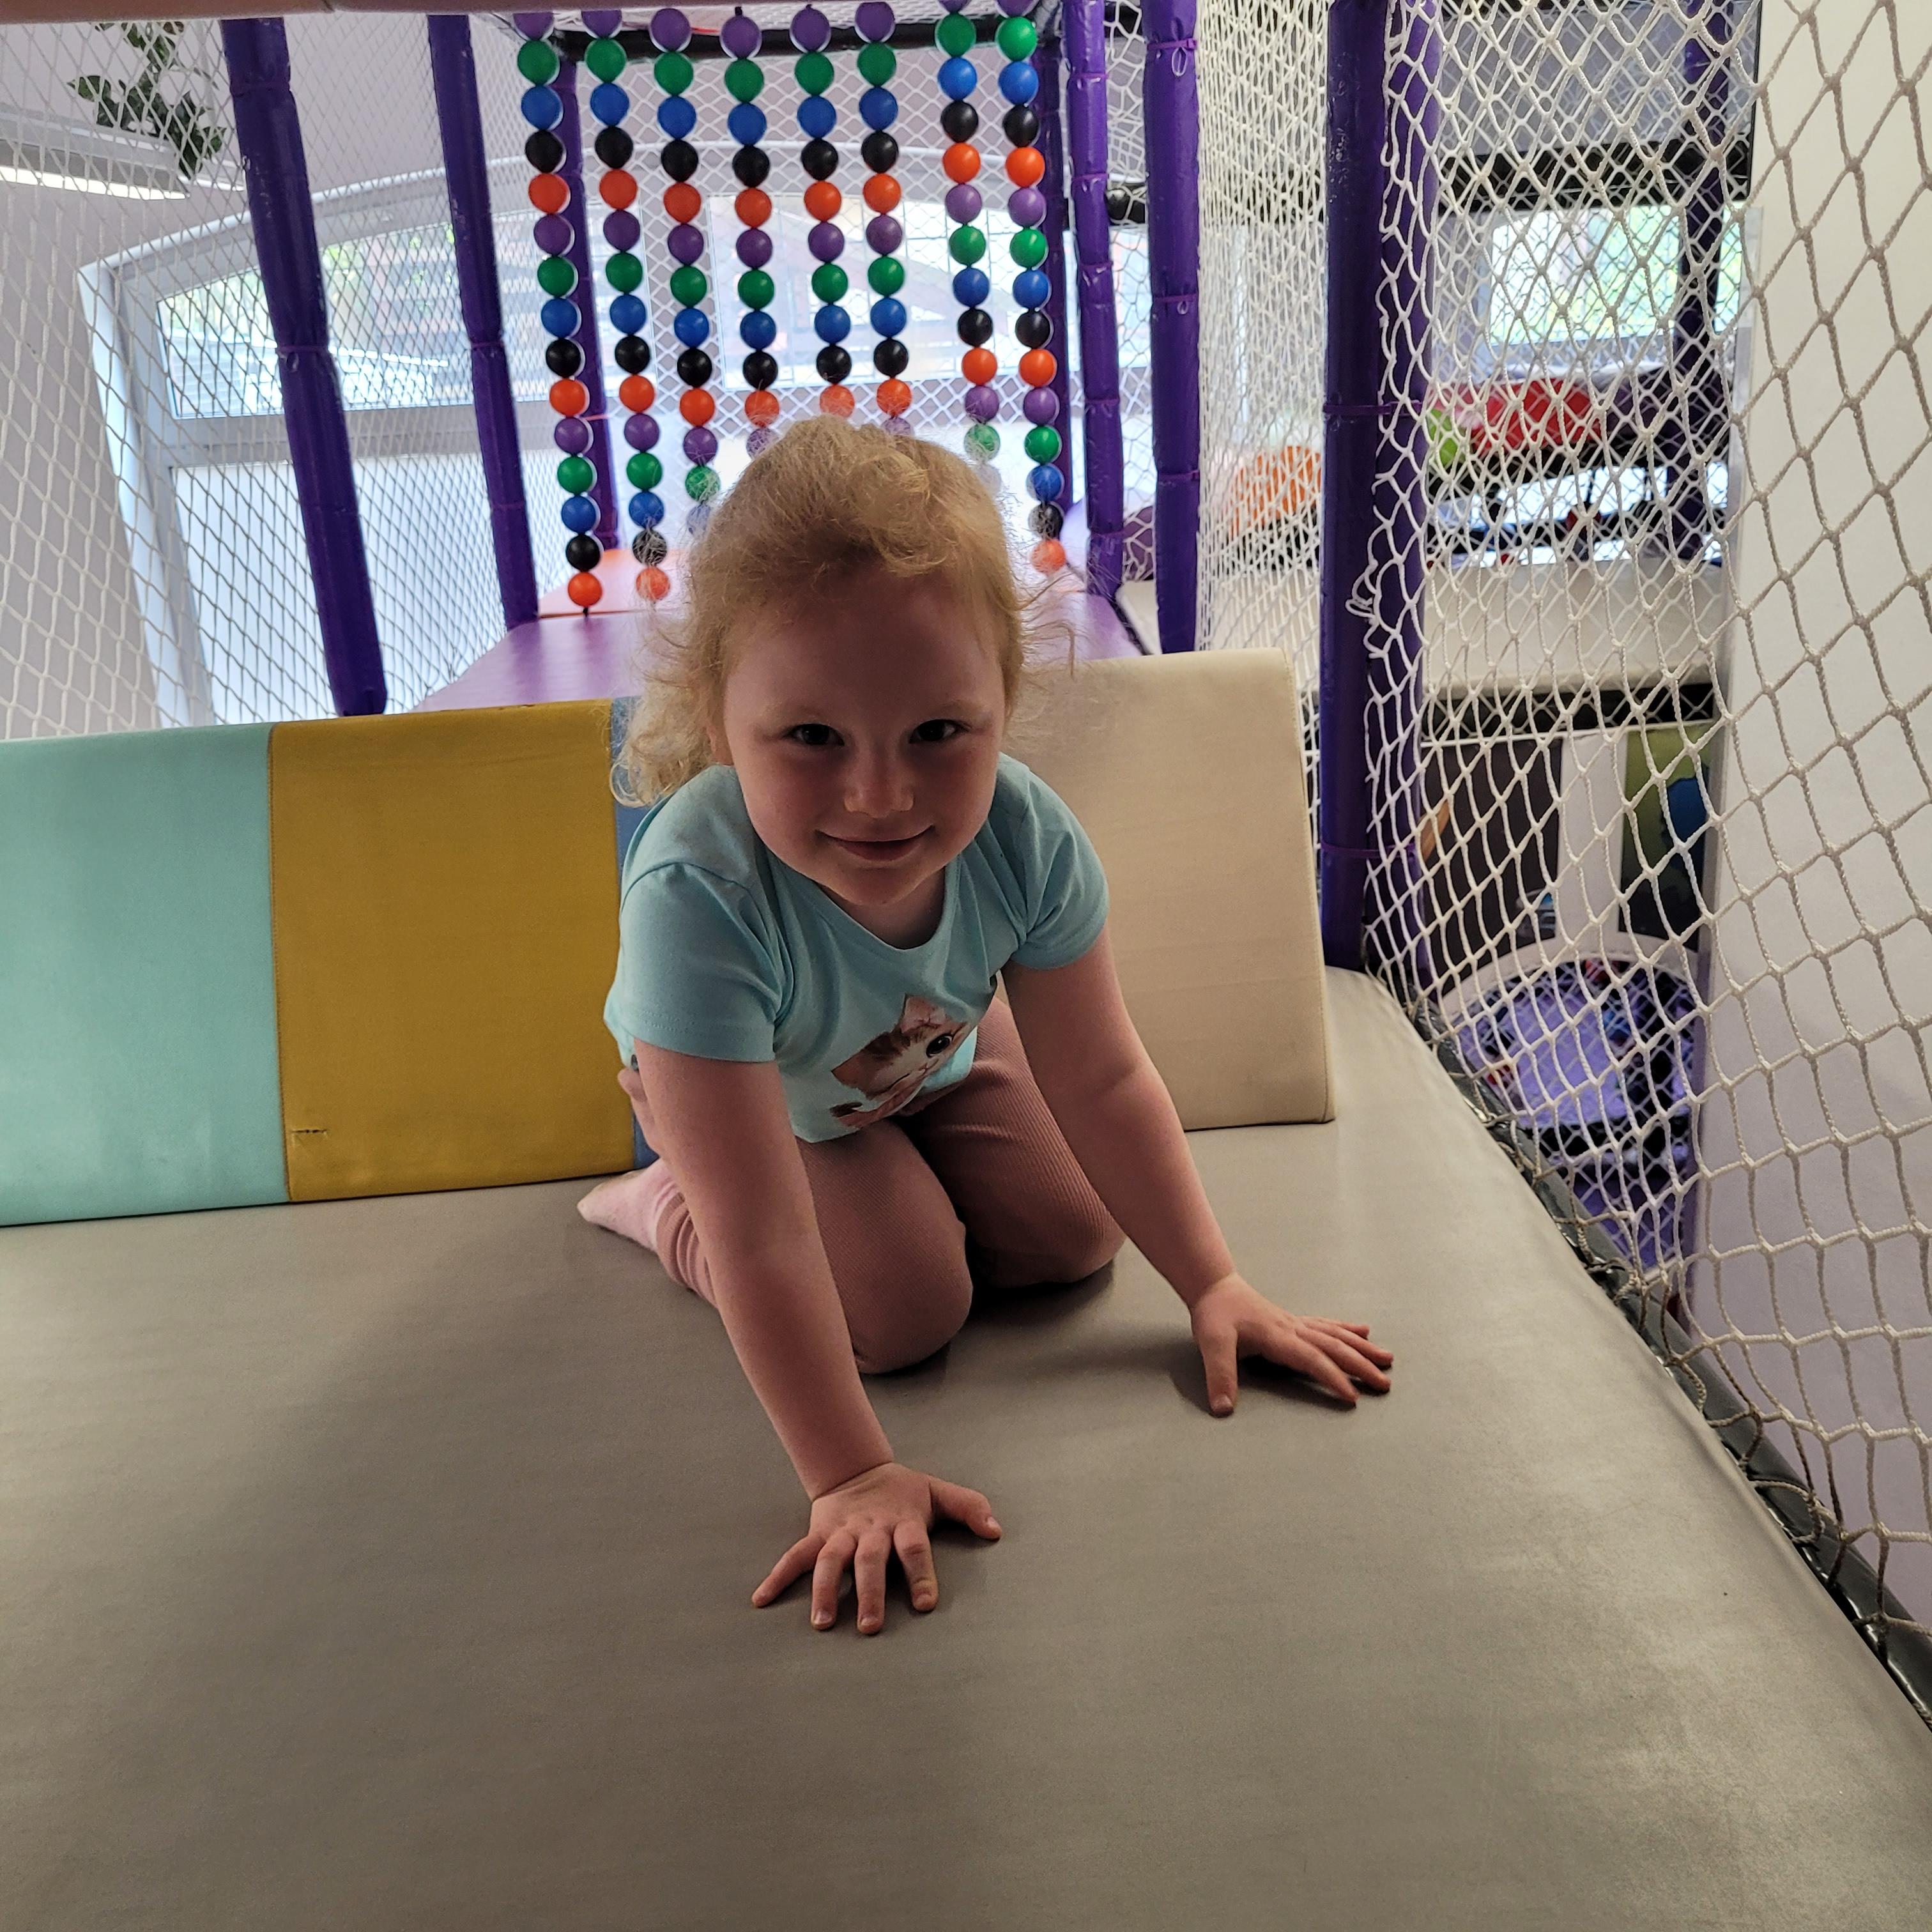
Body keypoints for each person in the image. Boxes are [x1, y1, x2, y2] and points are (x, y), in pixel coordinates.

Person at [579, 417, 1393, 1637]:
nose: (880, 793)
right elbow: (767, 1236)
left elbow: (1104, 1077)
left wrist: (1215, 1283)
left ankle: (921, 1127)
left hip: (921, 1055)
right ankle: (660, 1204)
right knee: (908, 1311)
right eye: (811, 738)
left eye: (938, 732)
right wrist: (850, 1475)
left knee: (1073, 1236)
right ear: (715, 711)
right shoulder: (701, 895)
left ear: (1003, 702)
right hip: (761, 1111)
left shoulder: (1023, 834)